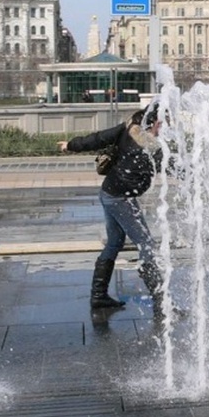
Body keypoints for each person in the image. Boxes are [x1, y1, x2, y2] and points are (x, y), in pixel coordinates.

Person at [57, 107, 168, 316]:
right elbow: (171, 166)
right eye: (161, 123)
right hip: (119, 198)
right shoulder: (151, 150)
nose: (164, 127)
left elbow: (98, 138)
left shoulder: (127, 129)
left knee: (115, 242)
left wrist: (71, 145)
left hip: (110, 192)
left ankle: (98, 296)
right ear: (152, 122)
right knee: (145, 244)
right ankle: (161, 303)